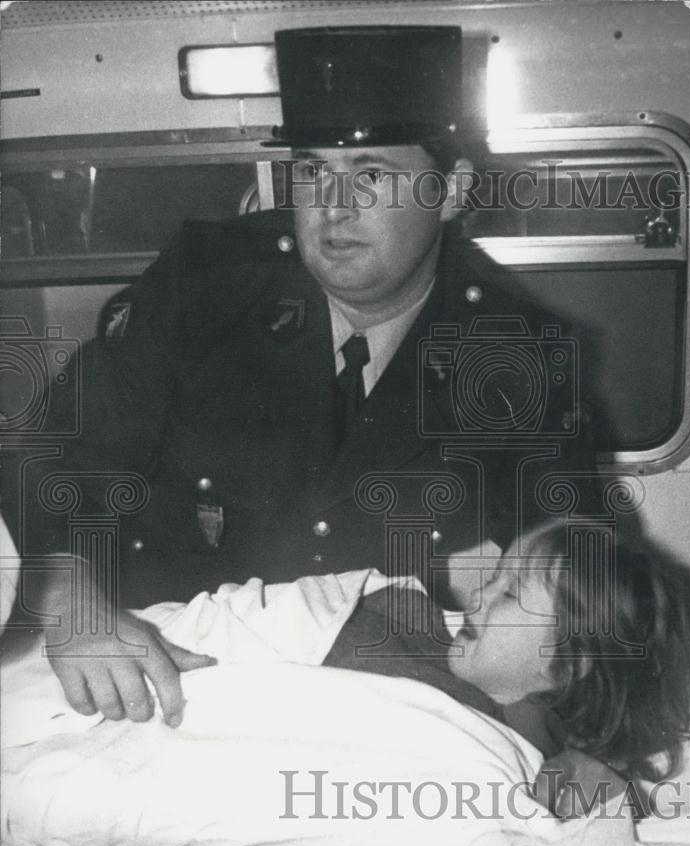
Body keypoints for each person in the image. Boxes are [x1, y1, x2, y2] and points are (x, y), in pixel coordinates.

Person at [6, 26, 599, 727]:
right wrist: (66, 590)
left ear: (452, 190)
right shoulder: (206, 285)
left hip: (361, 698)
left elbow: (579, 576)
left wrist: (588, 739)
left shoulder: (514, 355)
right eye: (313, 171)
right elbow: (58, 454)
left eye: (372, 174)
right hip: (163, 676)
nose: (334, 206)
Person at [446, 519, 690, 812]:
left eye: (509, 594)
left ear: (565, 664)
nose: (479, 595)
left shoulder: (527, 748)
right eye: (492, 579)